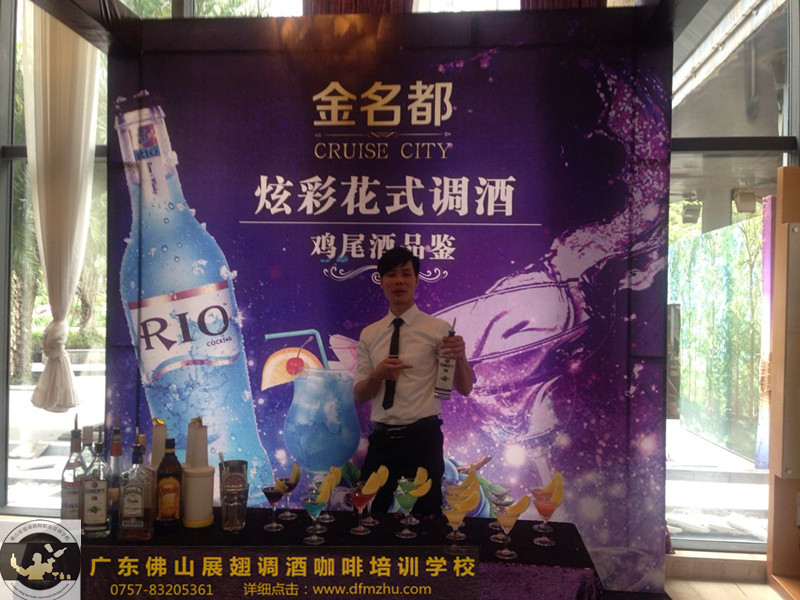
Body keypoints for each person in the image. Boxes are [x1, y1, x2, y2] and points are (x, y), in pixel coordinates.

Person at [354, 246, 474, 515]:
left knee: (427, 519)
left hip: (423, 440)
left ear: (417, 280)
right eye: (391, 275)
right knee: (367, 517)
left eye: (406, 274)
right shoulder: (369, 334)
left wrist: (461, 356)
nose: (399, 281)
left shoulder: (439, 329)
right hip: (382, 441)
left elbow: (465, 388)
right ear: (381, 281)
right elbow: (359, 395)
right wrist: (378, 375)